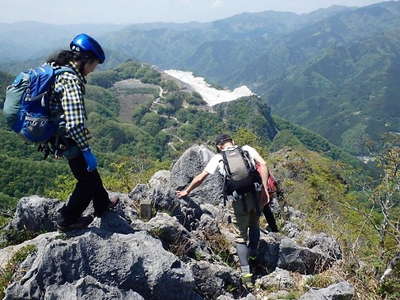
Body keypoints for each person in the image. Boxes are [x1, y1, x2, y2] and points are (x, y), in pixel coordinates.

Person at [47, 33, 119, 231]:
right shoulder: (70, 81)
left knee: (90, 173)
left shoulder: (58, 70)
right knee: (86, 181)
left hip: (59, 136)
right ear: (85, 60)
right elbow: (75, 123)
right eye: (94, 64)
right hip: (68, 139)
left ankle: (102, 204)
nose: (93, 70)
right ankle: (67, 219)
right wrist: (86, 150)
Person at [176, 134, 268, 281]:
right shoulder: (246, 149)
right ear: (233, 142)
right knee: (255, 225)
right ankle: (253, 255)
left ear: (219, 146)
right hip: (255, 196)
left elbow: (201, 177)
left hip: (237, 201)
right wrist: (265, 190)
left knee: (240, 237)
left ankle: (246, 275)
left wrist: (186, 191)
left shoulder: (218, 158)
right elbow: (263, 165)